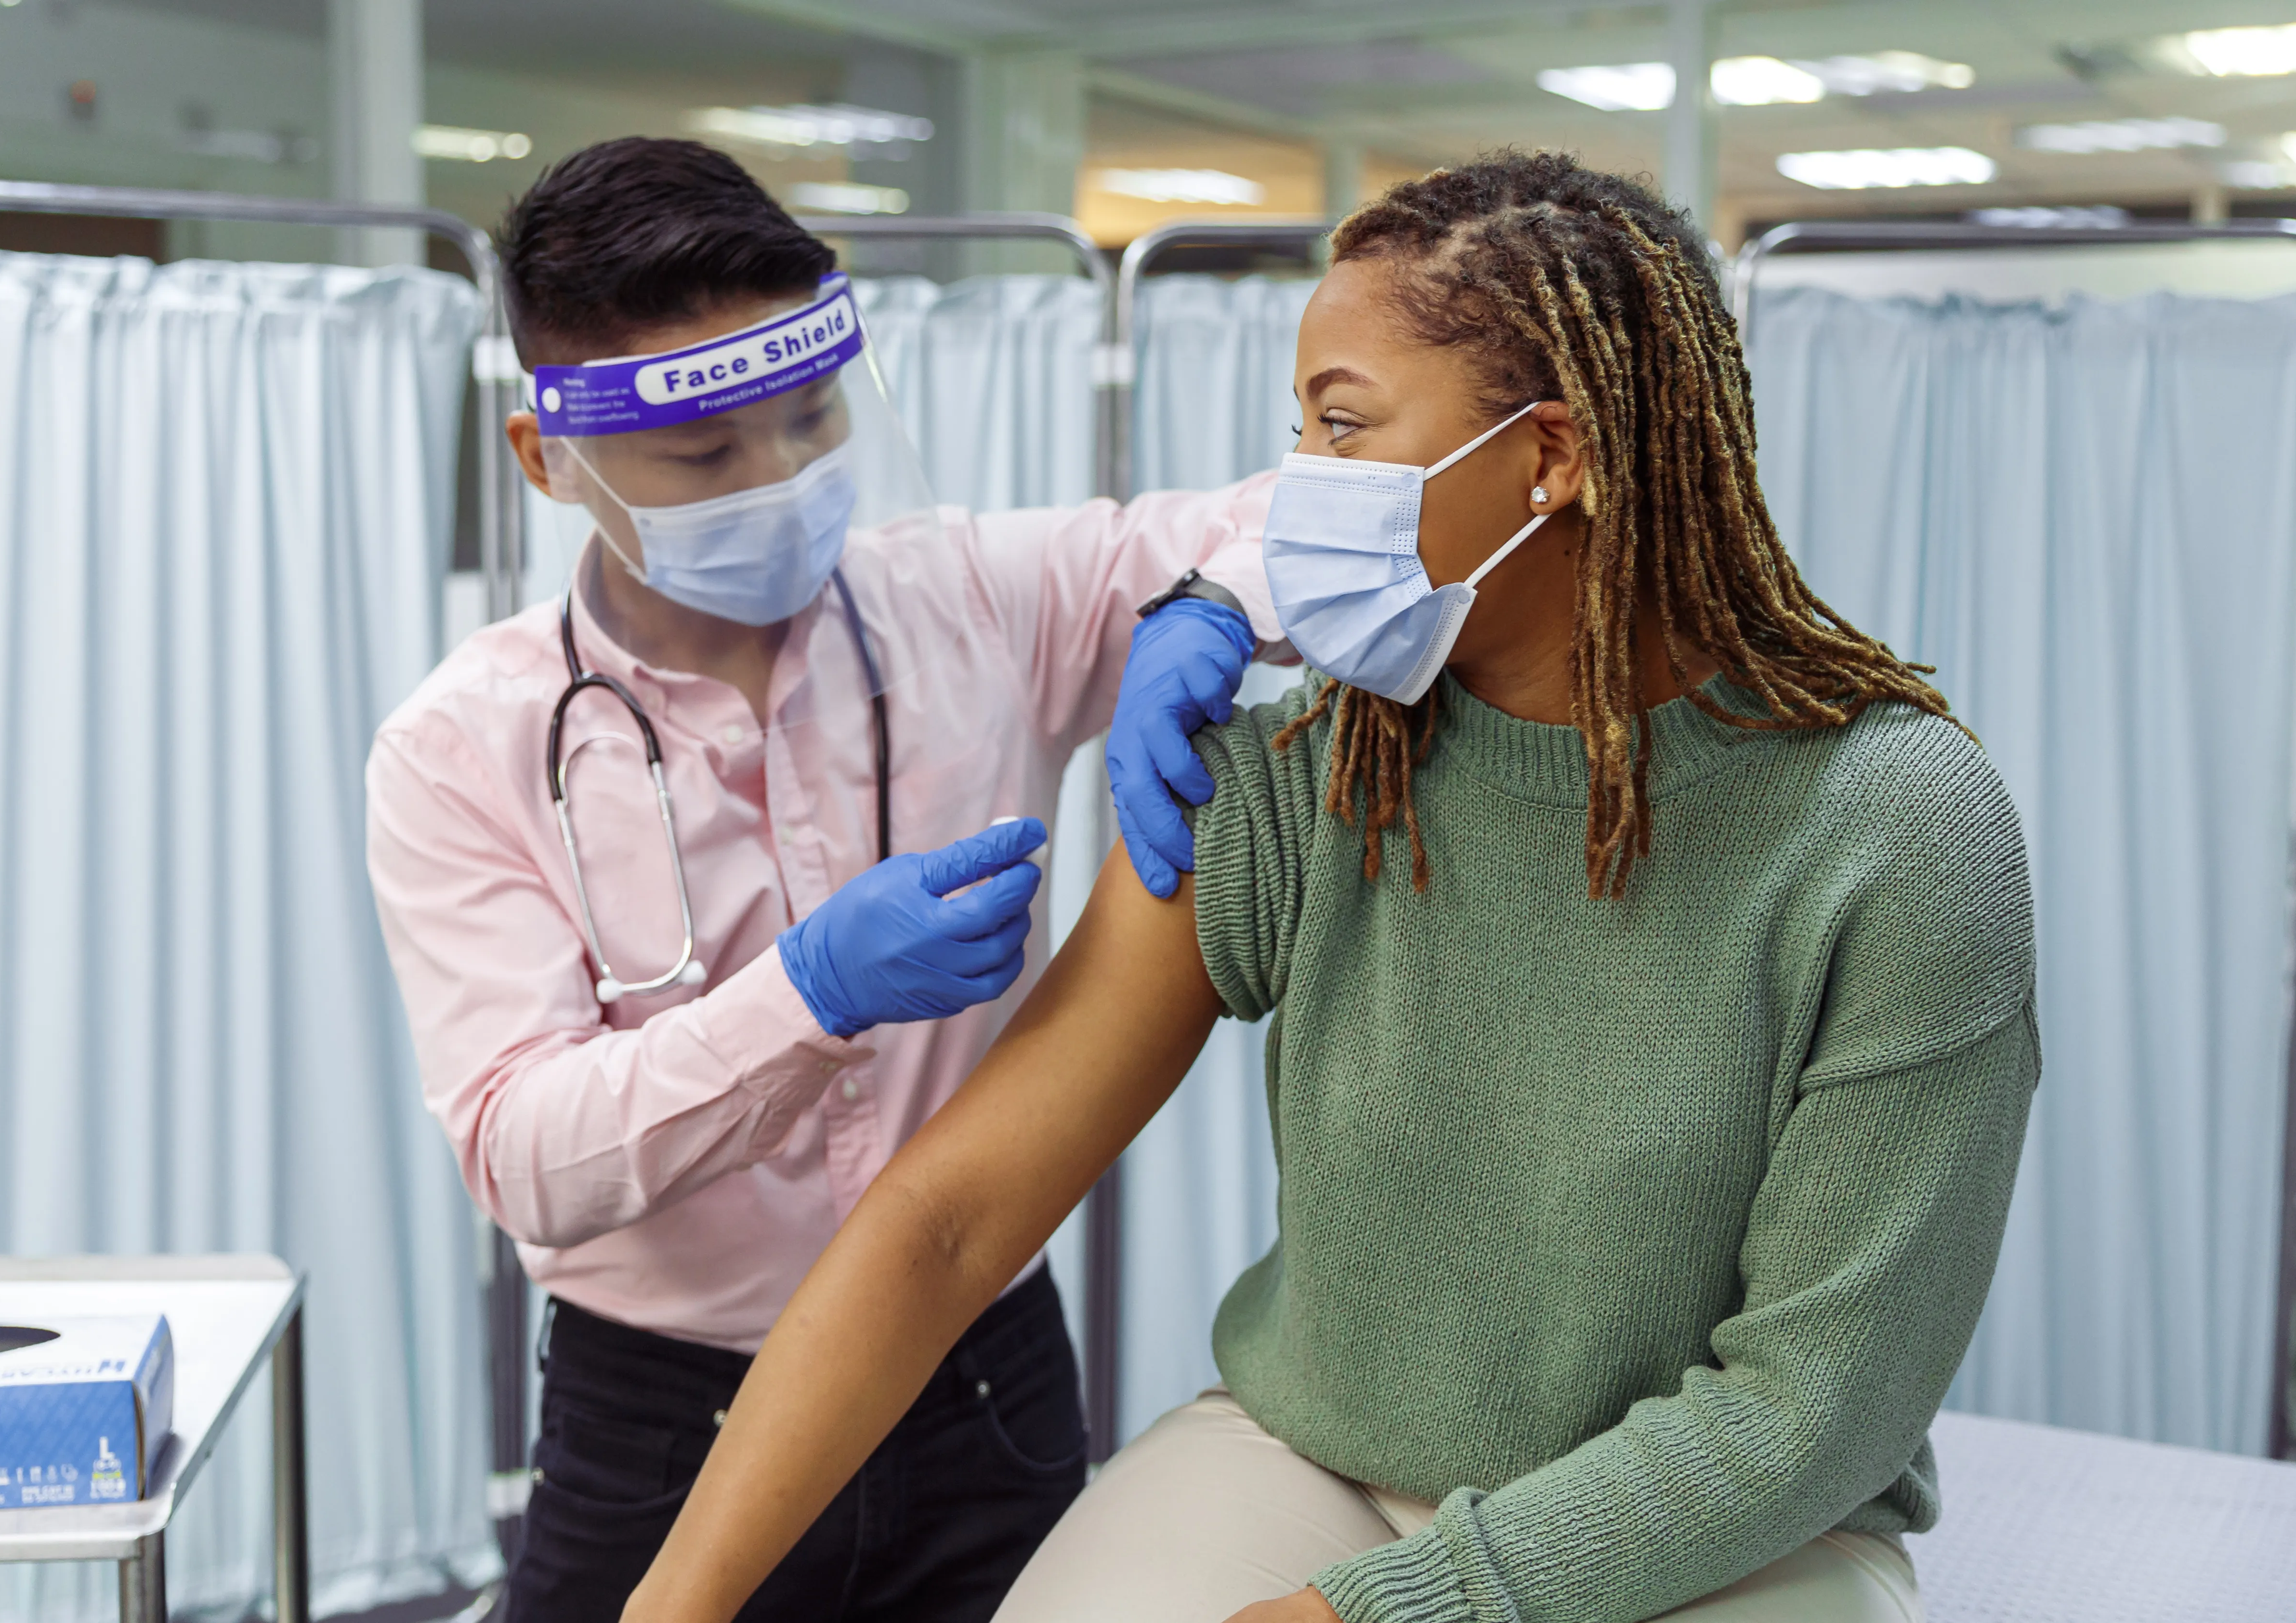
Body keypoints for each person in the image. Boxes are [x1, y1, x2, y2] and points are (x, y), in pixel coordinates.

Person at [619, 150, 2039, 1623]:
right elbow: (953, 1219)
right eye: (1297, 429)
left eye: (1341, 429)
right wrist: (673, 1608)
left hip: (1728, 1525)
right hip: (1315, 1460)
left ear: (1551, 455)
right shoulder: (1299, 778)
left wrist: (1379, 1613)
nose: (1293, 495)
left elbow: (1815, 1408)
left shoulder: (1893, 829)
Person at [364, 137, 1282, 1623]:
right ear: (550, 458)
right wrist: (807, 996)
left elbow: (1329, 507)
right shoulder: (463, 749)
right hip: (660, 1416)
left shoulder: (972, 598)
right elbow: (525, 1154)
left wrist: (1217, 602)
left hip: (976, 1376)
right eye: (705, 456)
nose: (781, 481)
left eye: (809, 421)